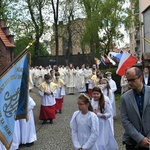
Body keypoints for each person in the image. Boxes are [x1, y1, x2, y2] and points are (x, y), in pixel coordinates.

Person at [120, 67, 150, 150]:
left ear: (140, 78)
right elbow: (125, 120)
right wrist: (140, 138)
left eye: (132, 80)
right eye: (128, 80)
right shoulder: (124, 98)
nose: (129, 83)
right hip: (133, 141)